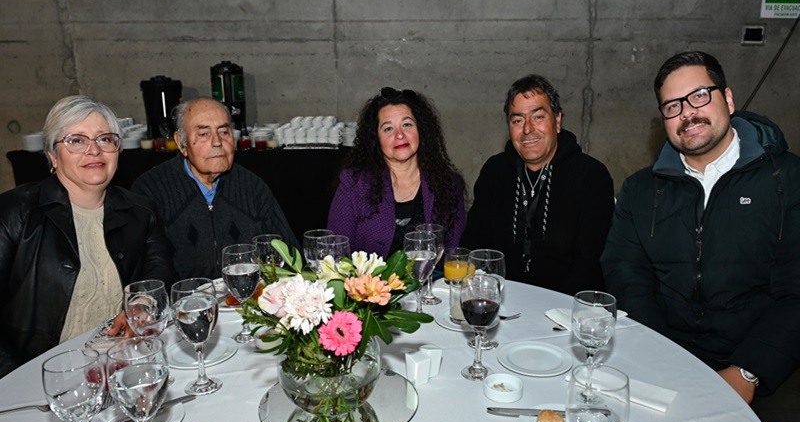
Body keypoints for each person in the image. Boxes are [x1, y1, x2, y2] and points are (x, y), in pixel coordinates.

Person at [601, 50, 800, 422]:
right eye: (672, 106)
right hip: (665, 359)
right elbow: (626, 272)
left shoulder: (787, 180)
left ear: (728, 98)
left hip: (766, 367)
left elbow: (795, 292)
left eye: (699, 96)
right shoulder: (641, 189)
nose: (687, 113)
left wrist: (747, 371)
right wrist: (663, 356)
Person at [0, 96, 172, 378]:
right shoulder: (14, 213)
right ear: (52, 155)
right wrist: (16, 382)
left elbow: (159, 269)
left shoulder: (141, 212)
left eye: (105, 139)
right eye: (77, 141)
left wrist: (141, 304)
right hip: (39, 379)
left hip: (122, 366)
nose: (94, 150)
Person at [461, 74, 614, 294]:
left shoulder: (591, 176)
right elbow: (474, 246)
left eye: (538, 117)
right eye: (517, 120)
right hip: (502, 299)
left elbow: (589, 264)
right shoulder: (495, 172)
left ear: (557, 121)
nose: (528, 129)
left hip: (565, 303)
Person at [132, 97, 297, 280]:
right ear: (181, 143)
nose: (217, 142)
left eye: (224, 132)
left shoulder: (252, 187)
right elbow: (144, 274)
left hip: (248, 295)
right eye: (203, 134)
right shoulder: (151, 190)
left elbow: (290, 258)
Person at [328, 87, 466, 256]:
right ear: (376, 139)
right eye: (388, 129)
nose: (399, 135)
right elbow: (335, 253)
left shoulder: (449, 185)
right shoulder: (353, 185)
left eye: (407, 125)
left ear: (421, 130)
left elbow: (453, 256)